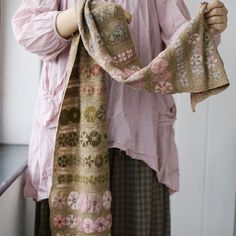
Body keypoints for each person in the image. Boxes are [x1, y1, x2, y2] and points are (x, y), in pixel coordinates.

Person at [12, 0, 228, 235]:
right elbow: (27, 30)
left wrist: (207, 28)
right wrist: (81, 16)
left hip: (138, 141)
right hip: (69, 145)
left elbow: (183, 46)